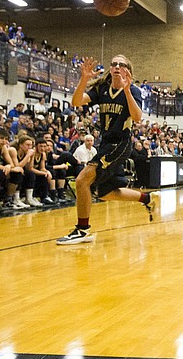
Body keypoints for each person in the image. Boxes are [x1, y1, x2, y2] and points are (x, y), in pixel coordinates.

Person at [56, 55, 154, 245]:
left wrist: (126, 91)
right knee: (105, 192)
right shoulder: (102, 89)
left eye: (121, 64)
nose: (117, 67)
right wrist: (84, 79)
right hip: (106, 143)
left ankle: (82, 229)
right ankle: (147, 198)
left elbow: (137, 117)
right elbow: (76, 102)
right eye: (114, 64)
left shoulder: (133, 90)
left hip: (120, 143)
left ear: (128, 71)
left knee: (82, 180)